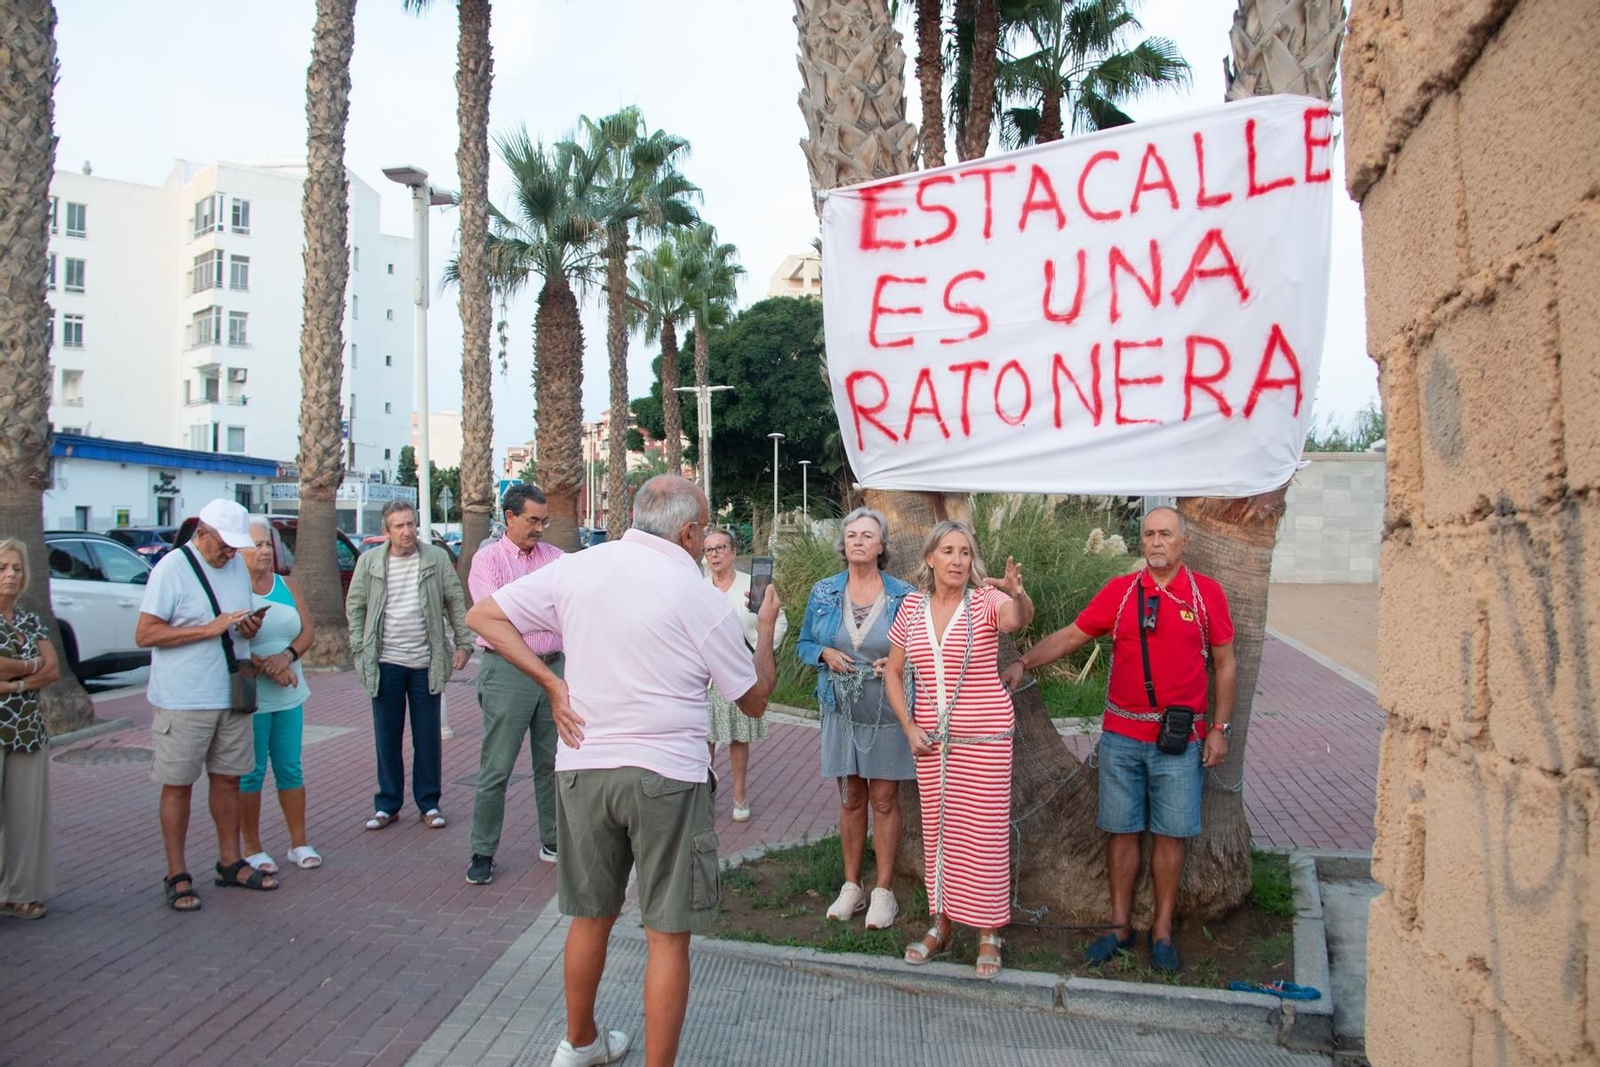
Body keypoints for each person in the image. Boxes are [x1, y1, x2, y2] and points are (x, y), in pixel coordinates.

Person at [466, 475, 780, 1067]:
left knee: (589, 915)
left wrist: (553, 684)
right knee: (666, 933)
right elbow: (754, 699)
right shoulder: (698, 596)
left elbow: (484, 616)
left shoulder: (577, 568)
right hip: (668, 774)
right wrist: (763, 630)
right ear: (689, 532)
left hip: (584, 764)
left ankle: (579, 1041)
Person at [1000, 506, 1235, 973]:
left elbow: (1226, 664)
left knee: (1171, 836)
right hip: (1122, 738)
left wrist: (1219, 729)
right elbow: (1072, 636)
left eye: (1165, 534)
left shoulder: (1206, 595)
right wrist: (1025, 662)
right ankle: (1120, 926)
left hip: (1180, 741)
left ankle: (1163, 931)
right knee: (1120, 830)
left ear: (1184, 541)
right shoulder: (1122, 593)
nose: (1156, 542)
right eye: (1148, 534)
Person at [885, 520, 1032, 980]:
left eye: (964, 552)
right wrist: (908, 727)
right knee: (939, 833)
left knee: (984, 835)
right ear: (930, 558)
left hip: (985, 739)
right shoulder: (910, 607)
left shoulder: (987, 600)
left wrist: (1018, 593)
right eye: (947, 551)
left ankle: (989, 931)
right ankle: (941, 924)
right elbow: (893, 672)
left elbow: (1017, 619)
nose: (956, 560)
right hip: (931, 742)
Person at [137, 499, 276, 911]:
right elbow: (145, 634)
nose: (232, 553)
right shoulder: (170, 569)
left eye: (237, 546)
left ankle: (230, 861)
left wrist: (249, 624)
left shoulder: (235, 566)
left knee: (229, 778)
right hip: (184, 697)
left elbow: (236, 619)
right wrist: (206, 630)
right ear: (202, 533)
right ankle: (176, 873)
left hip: (229, 693)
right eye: (225, 545)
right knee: (178, 783)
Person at [796, 508, 916, 930]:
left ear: (882, 546)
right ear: (843, 545)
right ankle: (852, 886)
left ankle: (883, 891)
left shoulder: (906, 595)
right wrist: (823, 653)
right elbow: (805, 642)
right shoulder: (824, 592)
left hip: (887, 709)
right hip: (840, 709)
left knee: (884, 799)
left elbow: (923, 648)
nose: (859, 541)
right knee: (850, 797)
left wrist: (899, 663)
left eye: (868, 535)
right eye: (851, 535)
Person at [346, 500, 472, 831]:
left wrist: (463, 643)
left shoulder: (435, 558)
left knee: (427, 737)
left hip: (424, 662)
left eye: (410, 524)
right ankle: (387, 803)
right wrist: (359, 649)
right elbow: (356, 606)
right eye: (399, 526)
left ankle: (429, 803)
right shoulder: (370, 562)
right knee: (387, 736)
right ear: (386, 531)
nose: (407, 531)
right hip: (385, 661)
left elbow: (454, 601)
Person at [466, 484, 564, 885]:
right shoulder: (486, 561)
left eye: (544, 520)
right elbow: (494, 618)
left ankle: (555, 840)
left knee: (554, 764)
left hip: (555, 669)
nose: (540, 528)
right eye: (533, 520)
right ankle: (483, 851)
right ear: (509, 517)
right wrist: (538, 613)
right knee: (497, 767)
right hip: (507, 672)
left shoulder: (557, 559)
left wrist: (522, 612)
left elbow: (565, 610)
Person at [240, 516, 320, 873]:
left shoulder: (287, 585)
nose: (264, 551)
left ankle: (298, 842)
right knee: (251, 772)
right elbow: (227, 640)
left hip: (290, 691)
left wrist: (286, 658)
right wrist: (265, 665)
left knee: (290, 767)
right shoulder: (233, 591)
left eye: (268, 544)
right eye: (256, 545)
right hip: (251, 696)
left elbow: (307, 631)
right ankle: (253, 848)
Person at [702, 526, 786, 823]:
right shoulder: (698, 588)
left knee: (739, 738)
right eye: (709, 549)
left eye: (720, 548)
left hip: (740, 674)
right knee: (705, 739)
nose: (714, 554)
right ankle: (704, 798)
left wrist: (757, 660)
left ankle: (740, 796)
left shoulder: (753, 585)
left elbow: (778, 623)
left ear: (733, 552)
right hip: (707, 679)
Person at [0, 540, 61, 920]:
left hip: (26, 728)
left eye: (16, 569)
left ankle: (19, 893)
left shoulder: (28, 619)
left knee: (25, 816)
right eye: (3, 567)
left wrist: (14, 679)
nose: (10, 574)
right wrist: (30, 665)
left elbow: (53, 670)